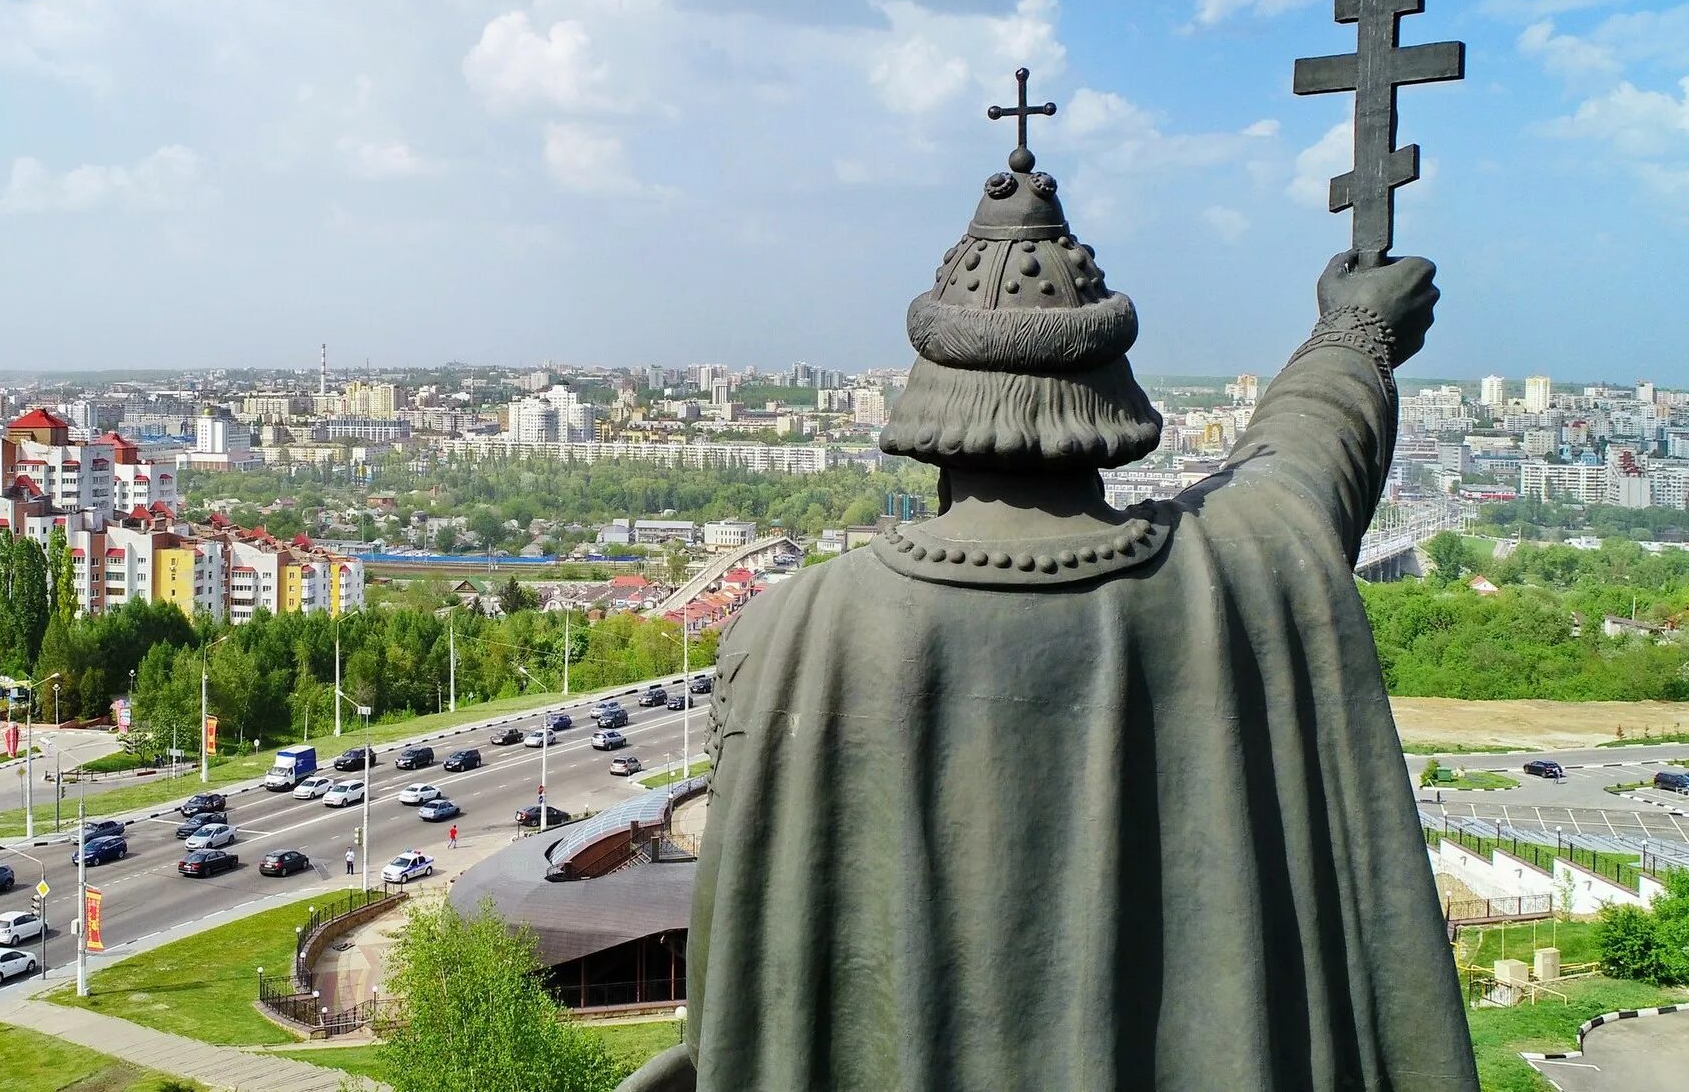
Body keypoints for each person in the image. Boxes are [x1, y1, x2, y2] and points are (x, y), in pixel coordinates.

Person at [619, 108, 1474, 1091]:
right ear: (1105, 397)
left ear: (927, 412)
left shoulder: (795, 632)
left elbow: (745, 994)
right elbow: (1297, 469)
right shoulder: (1230, 576)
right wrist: (1352, 333)